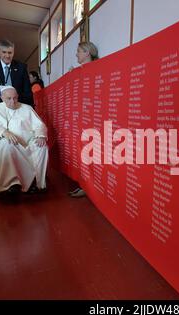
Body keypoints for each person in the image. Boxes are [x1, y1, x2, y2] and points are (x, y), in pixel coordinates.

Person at [0, 86, 48, 195]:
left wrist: (41, 135)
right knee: (7, 145)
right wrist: (5, 132)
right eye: (9, 98)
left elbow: (39, 125)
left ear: (18, 96)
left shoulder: (27, 108)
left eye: (15, 98)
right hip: (7, 141)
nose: (13, 102)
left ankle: (36, 182)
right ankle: (10, 185)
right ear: (2, 98)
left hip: (28, 143)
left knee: (42, 146)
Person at [69, 41, 99, 198]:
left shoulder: (98, 68)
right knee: (81, 152)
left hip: (92, 120)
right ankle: (83, 185)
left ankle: (88, 187)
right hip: (81, 119)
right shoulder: (78, 71)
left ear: (87, 53)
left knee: (90, 153)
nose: (77, 54)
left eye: (79, 51)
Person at [0, 39, 33, 116]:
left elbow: (27, 91)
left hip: (17, 110)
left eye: (10, 53)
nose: (7, 56)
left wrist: (25, 110)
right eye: (4, 52)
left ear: (13, 52)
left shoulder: (21, 67)